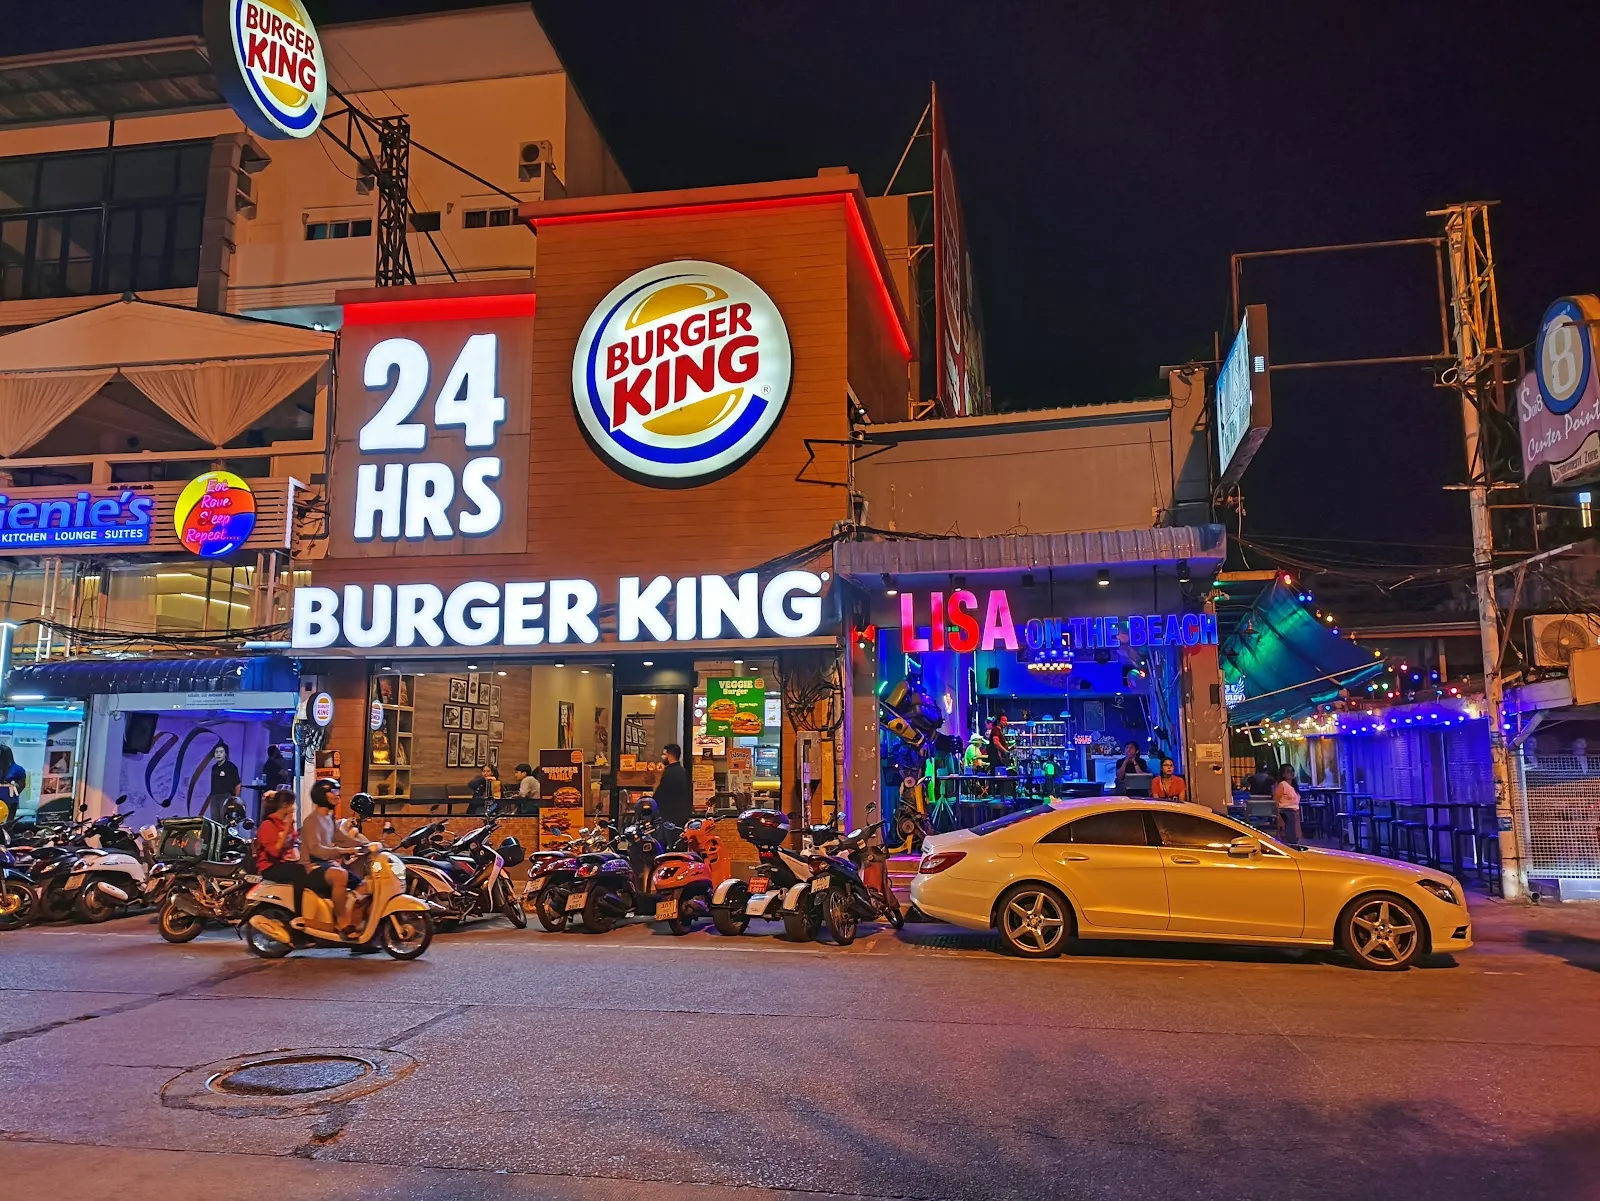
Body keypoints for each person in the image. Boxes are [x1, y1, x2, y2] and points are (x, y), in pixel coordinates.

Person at [301, 779, 367, 937]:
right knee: (340, 875)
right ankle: (342, 922)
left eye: (338, 792)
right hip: (312, 866)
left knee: (365, 885)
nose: (338, 796)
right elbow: (315, 850)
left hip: (327, 864)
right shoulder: (311, 821)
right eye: (333, 792)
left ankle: (356, 923)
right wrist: (342, 851)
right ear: (322, 795)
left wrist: (369, 845)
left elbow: (343, 838)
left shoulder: (329, 819)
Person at [253, 790, 299, 873]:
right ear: (285, 805)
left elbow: (293, 844)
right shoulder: (268, 824)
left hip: (286, 862)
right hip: (269, 866)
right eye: (293, 804)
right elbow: (274, 853)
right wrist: (287, 829)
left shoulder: (286, 822)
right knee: (300, 871)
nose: (295, 807)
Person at [653, 743, 692, 826]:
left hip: (668, 817)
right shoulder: (683, 772)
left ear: (670, 756)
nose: (662, 757)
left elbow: (661, 794)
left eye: (664, 754)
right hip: (682, 817)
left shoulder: (668, 772)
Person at [205, 744, 240, 819]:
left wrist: (235, 799)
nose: (218, 754)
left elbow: (238, 784)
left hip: (226, 796)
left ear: (226, 754)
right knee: (214, 820)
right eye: (216, 752)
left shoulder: (231, 767)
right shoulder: (214, 768)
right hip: (215, 797)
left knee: (225, 819)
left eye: (221, 752)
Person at [1273, 764, 1302, 844]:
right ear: (1283, 774)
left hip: (1295, 815)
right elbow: (1275, 802)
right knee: (1289, 839)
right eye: (1288, 771)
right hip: (1286, 814)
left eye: (1292, 771)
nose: (1291, 773)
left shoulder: (1294, 786)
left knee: (1296, 838)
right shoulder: (1282, 785)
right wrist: (1279, 818)